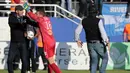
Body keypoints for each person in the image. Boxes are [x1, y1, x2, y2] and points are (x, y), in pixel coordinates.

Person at [23, 3, 62, 73]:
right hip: (52, 41)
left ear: (41, 15)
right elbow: (36, 23)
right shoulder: (47, 19)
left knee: (51, 62)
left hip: (47, 42)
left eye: (37, 14)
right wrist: (28, 20)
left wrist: (28, 10)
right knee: (50, 60)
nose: (36, 15)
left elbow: (33, 17)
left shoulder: (41, 20)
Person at [75, 5, 109, 73]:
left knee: (94, 62)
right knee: (105, 58)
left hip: (89, 43)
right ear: (96, 12)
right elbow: (102, 32)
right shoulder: (98, 21)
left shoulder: (83, 20)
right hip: (98, 43)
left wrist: (77, 40)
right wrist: (106, 41)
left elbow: (76, 31)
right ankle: (102, 71)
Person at [7, 5, 29, 73]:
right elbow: (15, 25)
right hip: (14, 42)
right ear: (16, 11)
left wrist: (26, 32)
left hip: (22, 42)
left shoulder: (24, 18)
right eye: (21, 10)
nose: (22, 11)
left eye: (23, 10)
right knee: (9, 60)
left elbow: (26, 27)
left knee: (24, 60)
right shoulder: (11, 18)